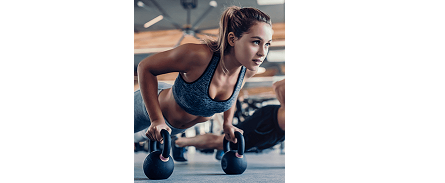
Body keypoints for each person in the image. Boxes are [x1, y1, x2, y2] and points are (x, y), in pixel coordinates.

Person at [134, 6, 274, 148]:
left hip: (171, 129)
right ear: (232, 39)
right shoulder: (198, 56)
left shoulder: (247, 70)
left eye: (267, 44)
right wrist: (157, 120)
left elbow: (234, 93)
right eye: (256, 42)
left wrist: (228, 123)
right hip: (147, 110)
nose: (263, 52)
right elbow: (145, 67)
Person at [173, 79, 285, 160]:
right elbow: (278, 85)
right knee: (222, 141)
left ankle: (223, 148)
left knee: (227, 143)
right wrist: (285, 105)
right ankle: (179, 142)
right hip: (267, 120)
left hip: (277, 132)